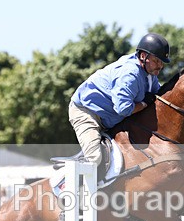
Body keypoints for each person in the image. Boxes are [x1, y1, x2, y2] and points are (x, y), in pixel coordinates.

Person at [69, 33, 170, 168]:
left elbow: (158, 95)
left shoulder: (149, 74)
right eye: (157, 61)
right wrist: (144, 104)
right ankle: (72, 185)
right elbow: (123, 109)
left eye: (161, 62)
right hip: (87, 112)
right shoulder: (130, 75)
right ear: (143, 56)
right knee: (94, 159)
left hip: (109, 117)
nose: (160, 66)